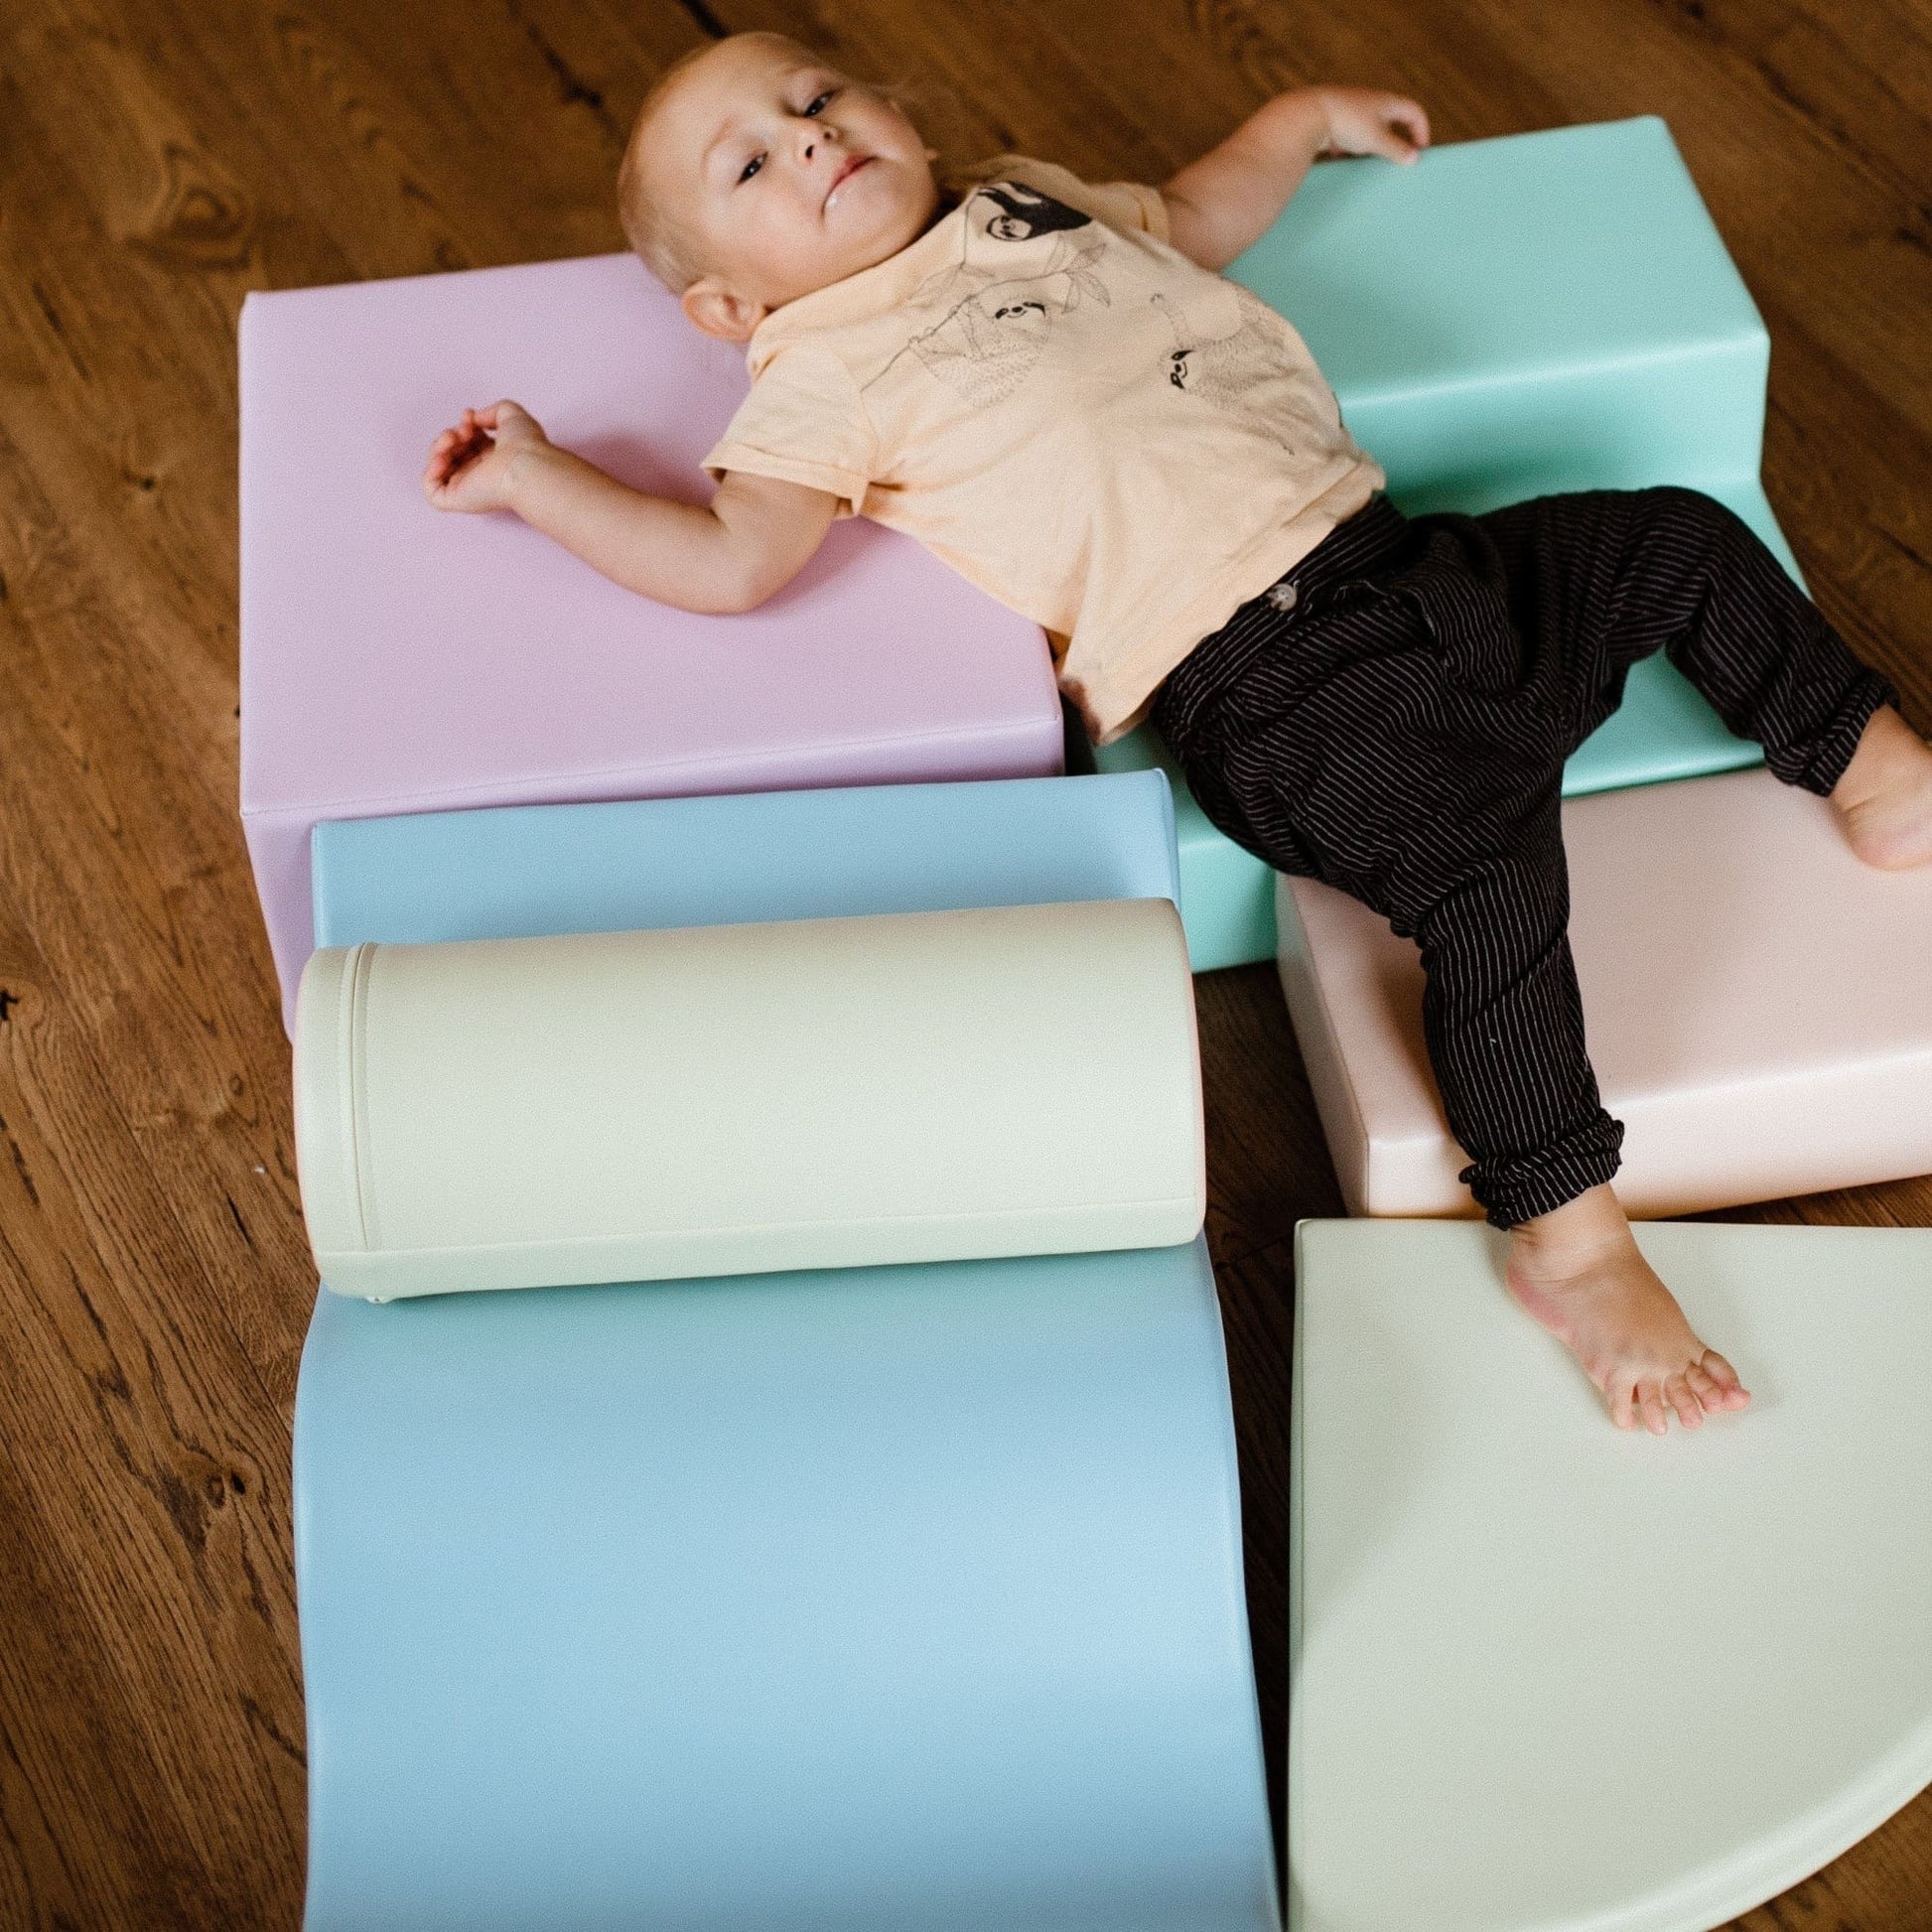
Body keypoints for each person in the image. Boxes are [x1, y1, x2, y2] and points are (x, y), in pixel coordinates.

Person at [422, 32, 1932, 1434]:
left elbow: (1198, 216)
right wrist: (538, 480)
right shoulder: (819, 368)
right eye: (752, 164)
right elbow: (730, 560)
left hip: (1408, 564)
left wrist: (1299, 120)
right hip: (1271, 692)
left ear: (896, 113)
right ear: (726, 308)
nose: (809, 139)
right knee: (1490, 891)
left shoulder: (1025, 196)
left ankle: (1873, 765)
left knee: (1675, 537)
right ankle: (1571, 1240)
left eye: (816, 99)